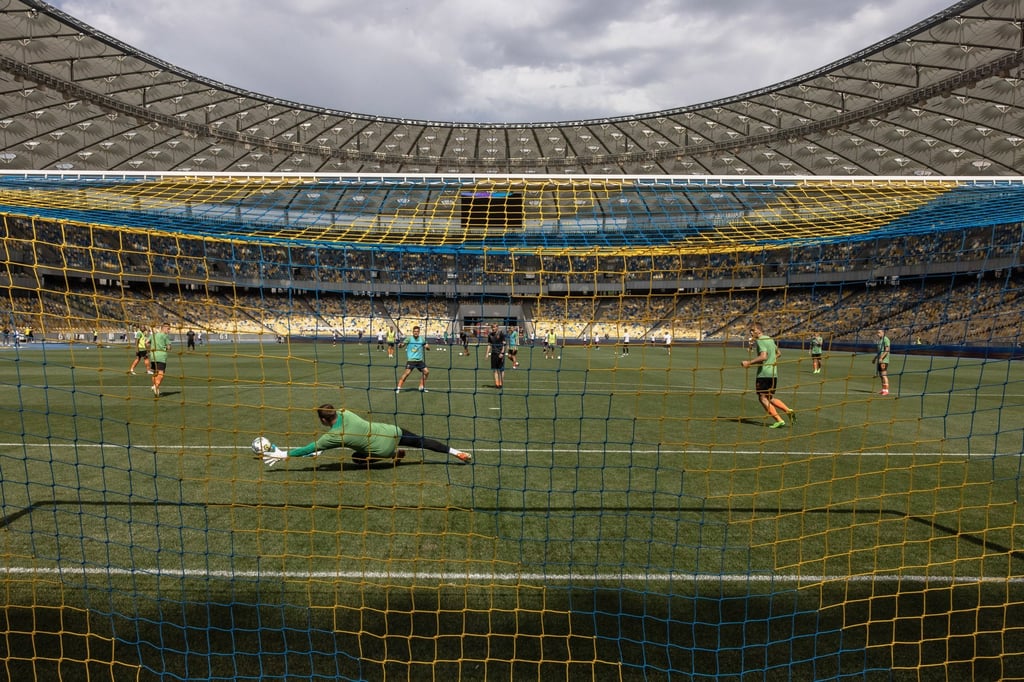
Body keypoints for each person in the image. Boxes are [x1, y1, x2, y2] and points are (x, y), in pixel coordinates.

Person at [260, 403, 472, 466]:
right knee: (423, 442)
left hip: (382, 450)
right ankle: (457, 453)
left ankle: (393, 456)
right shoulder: (346, 412)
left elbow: (309, 448)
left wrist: (285, 454)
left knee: (356, 458)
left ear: (323, 421)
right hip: (393, 432)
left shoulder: (330, 438)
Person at [741, 322, 795, 429]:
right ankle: (788, 411)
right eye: (750, 331)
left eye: (753, 330)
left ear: (759, 330)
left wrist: (749, 362)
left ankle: (779, 420)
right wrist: (772, 361)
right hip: (773, 373)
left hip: (764, 374)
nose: (751, 332)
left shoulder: (760, 340)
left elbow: (763, 356)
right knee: (769, 397)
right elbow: (779, 353)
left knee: (762, 398)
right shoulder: (770, 339)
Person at [396, 325, 430, 393]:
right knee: (406, 374)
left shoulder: (422, 339)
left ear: (419, 332)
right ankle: (398, 387)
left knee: (426, 372)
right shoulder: (409, 338)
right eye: (414, 331)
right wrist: (400, 345)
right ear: (413, 332)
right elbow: (402, 345)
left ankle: (421, 386)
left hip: (419, 361)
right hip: (411, 360)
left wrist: (427, 347)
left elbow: (428, 347)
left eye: (417, 331)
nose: (416, 333)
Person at [149, 322, 172, 397]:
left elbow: (146, 343)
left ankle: (155, 387)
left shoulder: (153, 335)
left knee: (155, 372)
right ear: (164, 328)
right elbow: (169, 347)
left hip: (153, 356)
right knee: (161, 373)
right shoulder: (165, 336)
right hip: (161, 356)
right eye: (168, 329)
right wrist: (168, 347)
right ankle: (156, 386)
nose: (169, 330)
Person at [486, 323, 507, 388]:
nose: (493, 329)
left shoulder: (501, 334)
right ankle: (497, 384)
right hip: (493, 354)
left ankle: (501, 383)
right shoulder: (490, 335)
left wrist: (502, 353)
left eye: (494, 327)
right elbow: (489, 344)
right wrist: (487, 353)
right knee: (495, 370)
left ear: (497, 327)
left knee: (501, 370)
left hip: (500, 354)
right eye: (492, 327)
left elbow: (504, 344)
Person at [874, 329, 891, 396]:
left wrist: (881, 358)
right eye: (877, 332)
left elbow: (887, 350)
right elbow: (879, 351)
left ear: (883, 333)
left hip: (884, 360)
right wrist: (875, 358)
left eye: (879, 332)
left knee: (884, 375)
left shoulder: (886, 339)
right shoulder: (880, 340)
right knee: (881, 376)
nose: (878, 334)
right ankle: (883, 389)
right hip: (880, 360)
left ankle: (886, 390)